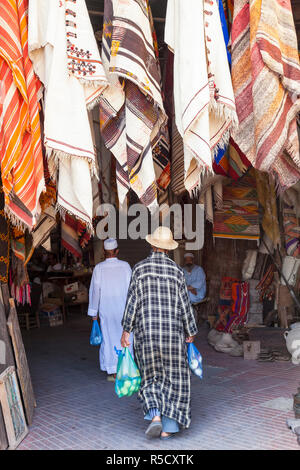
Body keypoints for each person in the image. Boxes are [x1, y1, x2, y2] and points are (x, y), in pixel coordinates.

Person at [120, 227, 198, 440]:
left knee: (151, 377)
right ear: (168, 249)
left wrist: (126, 329)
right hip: (172, 337)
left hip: (147, 336)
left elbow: (132, 303)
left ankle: (155, 416)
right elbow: (185, 305)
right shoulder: (176, 271)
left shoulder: (140, 269)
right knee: (174, 378)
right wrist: (190, 331)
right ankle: (168, 428)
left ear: (152, 245)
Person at [88, 238, 132, 382]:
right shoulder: (125, 266)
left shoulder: (99, 268)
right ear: (117, 251)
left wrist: (93, 313)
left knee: (109, 339)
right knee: (126, 339)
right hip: (123, 311)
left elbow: (95, 292)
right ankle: (127, 369)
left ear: (104, 252)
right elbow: (132, 290)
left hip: (106, 311)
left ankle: (114, 371)